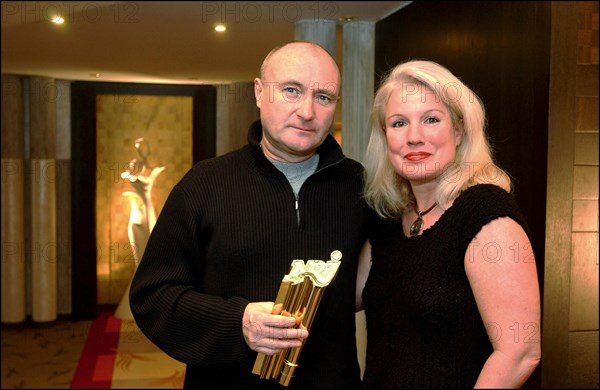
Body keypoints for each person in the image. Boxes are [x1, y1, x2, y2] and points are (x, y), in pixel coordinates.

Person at [129, 41, 372, 389]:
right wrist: (237, 323)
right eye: (291, 90)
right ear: (259, 92)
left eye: (323, 97)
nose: (307, 111)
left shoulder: (361, 186)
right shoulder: (204, 184)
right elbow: (152, 296)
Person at [356, 60, 541, 388]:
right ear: (385, 137)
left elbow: (520, 352)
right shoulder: (387, 220)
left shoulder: (485, 212)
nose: (414, 137)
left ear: (458, 130)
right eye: (399, 123)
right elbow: (343, 298)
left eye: (430, 119)